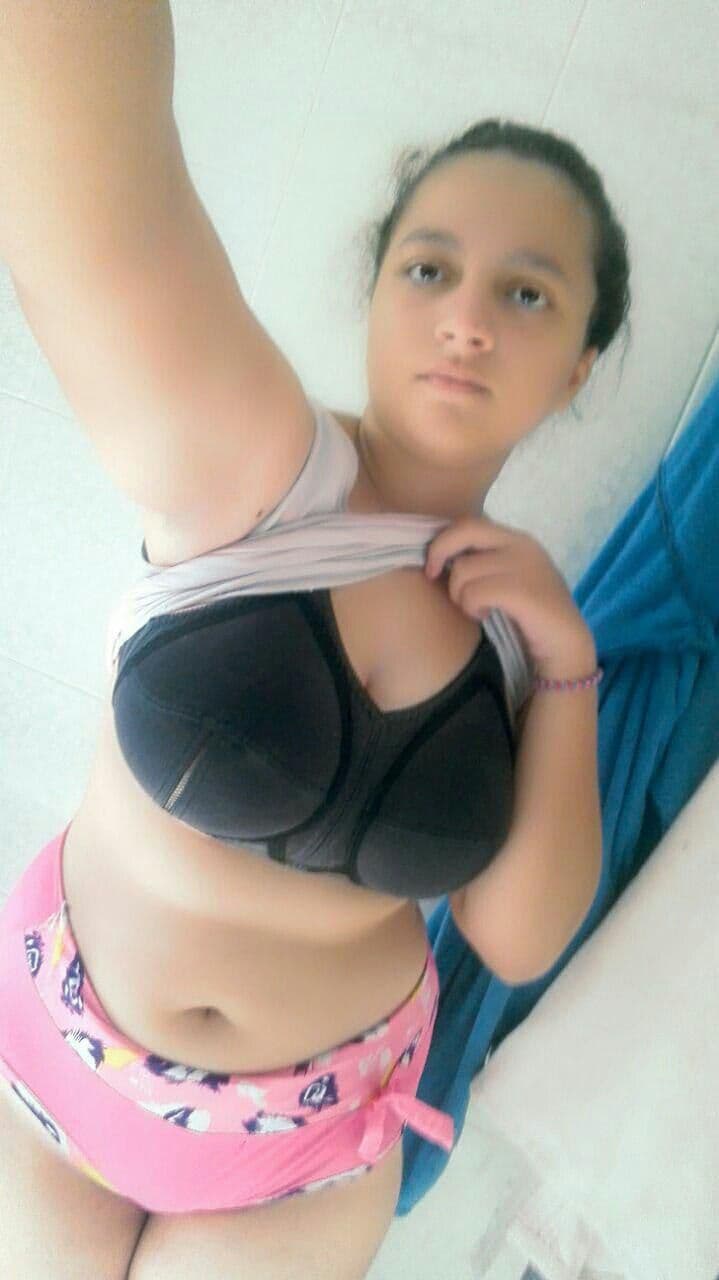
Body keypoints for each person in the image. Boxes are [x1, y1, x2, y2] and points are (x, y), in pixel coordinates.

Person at [0, 5, 630, 1277]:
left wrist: (565, 661)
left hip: (306, 1156)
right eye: (428, 269)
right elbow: (89, 198)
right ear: (375, 290)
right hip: (60, 1074)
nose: (466, 319)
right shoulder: (256, 475)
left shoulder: (521, 642)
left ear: (575, 364)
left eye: (525, 292)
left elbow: (515, 940)